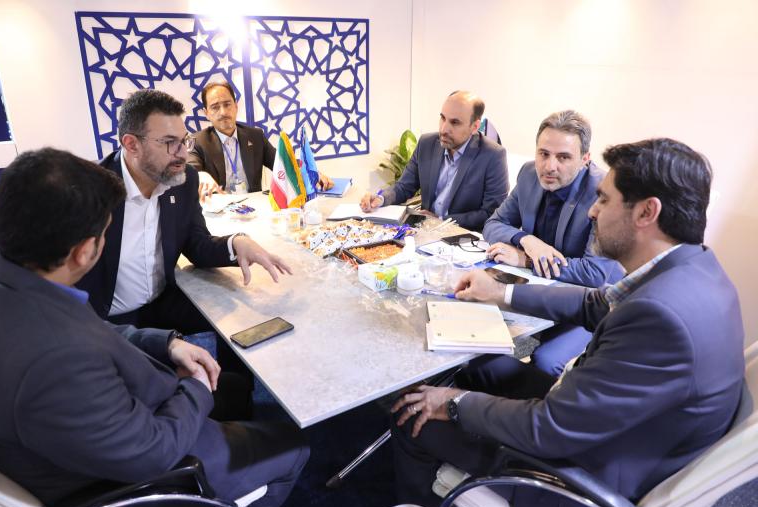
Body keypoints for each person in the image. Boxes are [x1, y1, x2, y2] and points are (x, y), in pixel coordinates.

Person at [390, 138, 745, 507]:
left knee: (413, 414)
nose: (593, 210)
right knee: (485, 367)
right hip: (607, 425)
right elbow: (596, 303)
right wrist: (501, 292)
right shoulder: (694, 270)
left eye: (604, 200)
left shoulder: (661, 317)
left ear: (647, 212)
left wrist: (455, 403)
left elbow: (547, 429)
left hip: (575, 479)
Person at [0, 148, 309, 507]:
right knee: (293, 444)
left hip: (85, 435)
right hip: (137, 487)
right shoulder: (58, 361)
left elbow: (86, 329)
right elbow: (152, 453)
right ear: (84, 252)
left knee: (234, 388)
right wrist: (195, 388)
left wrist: (166, 343)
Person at [0, 89, 290, 416]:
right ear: (131, 144)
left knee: (237, 317)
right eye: (169, 143)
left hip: (161, 297)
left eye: (184, 141)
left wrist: (236, 243)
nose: (182, 153)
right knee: (147, 392)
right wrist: (13, 292)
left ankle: (239, 401)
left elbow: (196, 243)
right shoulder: (90, 188)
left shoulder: (183, 179)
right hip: (106, 314)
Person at [483, 110, 624, 375]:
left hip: (593, 300)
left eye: (563, 157)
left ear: (585, 159)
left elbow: (593, 273)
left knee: (547, 361)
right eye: (544, 154)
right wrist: (527, 240)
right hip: (543, 287)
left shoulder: (603, 192)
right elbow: (493, 224)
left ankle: (546, 401)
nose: (549, 166)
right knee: (475, 328)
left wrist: (525, 259)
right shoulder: (529, 174)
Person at [359, 90, 508, 231]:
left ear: (474, 127)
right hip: (424, 230)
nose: (444, 129)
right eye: (443, 118)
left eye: (455, 122)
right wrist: (380, 198)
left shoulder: (493, 155)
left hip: (461, 236)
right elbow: (404, 186)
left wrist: (440, 220)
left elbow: (491, 213)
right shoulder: (427, 143)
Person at [189, 80, 333, 198]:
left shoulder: (255, 136)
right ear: (206, 113)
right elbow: (189, 169)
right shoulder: (197, 141)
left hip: (253, 209)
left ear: (236, 106)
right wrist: (201, 176)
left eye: (227, 104)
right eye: (215, 107)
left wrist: (311, 173)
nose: (223, 112)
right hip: (218, 212)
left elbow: (282, 162)